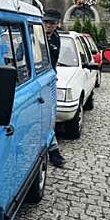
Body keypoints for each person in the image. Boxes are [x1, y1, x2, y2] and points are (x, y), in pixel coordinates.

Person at [43, 11, 65, 168]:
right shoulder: (36, 34)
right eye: (46, 22)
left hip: (48, 79)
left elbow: (51, 60)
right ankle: (54, 152)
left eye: (52, 23)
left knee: (50, 117)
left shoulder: (55, 38)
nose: (48, 25)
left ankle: (53, 152)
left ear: (57, 24)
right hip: (39, 79)